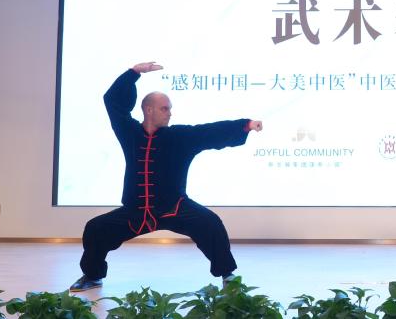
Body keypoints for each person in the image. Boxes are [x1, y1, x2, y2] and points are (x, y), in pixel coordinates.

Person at [69, 62, 263, 292]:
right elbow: (113, 102)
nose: (170, 113)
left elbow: (209, 132)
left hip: (175, 207)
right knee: (96, 228)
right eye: (165, 109)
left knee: (210, 223)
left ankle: (228, 276)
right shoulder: (129, 132)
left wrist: (245, 126)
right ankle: (92, 276)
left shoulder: (179, 136)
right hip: (136, 211)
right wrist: (133, 73)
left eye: (169, 109)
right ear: (149, 110)